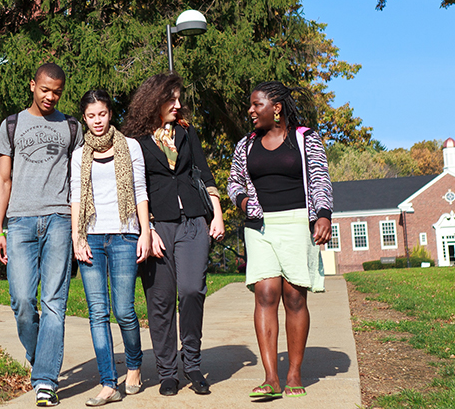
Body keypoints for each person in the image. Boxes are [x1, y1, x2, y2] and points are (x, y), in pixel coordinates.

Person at [121, 73, 225, 397]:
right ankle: (167, 371)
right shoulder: (134, 140)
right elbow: (132, 188)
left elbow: (204, 171)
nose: (178, 105)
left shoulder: (186, 131)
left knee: (193, 290)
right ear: (154, 100)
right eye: (172, 99)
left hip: (194, 220)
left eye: (179, 98)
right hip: (156, 227)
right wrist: (146, 229)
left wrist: (217, 213)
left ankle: (192, 363)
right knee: (160, 301)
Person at [227, 81, 333, 398]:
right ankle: (271, 377)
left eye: (256, 105)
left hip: (298, 222)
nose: (250, 111)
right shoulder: (246, 145)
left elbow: (319, 178)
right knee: (266, 292)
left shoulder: (305, 139)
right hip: (260, 227)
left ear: (276, 107)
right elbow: (234, 183)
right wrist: (244, 202)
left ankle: (295, 372)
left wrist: (323, 215)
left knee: (295, 297)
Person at [0, 62, 83, 407]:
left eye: (57, 92)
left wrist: (79, 228)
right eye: (45, 89)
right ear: (32, 85)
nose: (50, 96)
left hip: (60, 218)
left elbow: (78, 182)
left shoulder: (71, 127)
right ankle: (38, 354)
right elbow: (3, 179)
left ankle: (45, 380)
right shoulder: (12, 125)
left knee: (54, 303)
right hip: (19, 222)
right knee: (22, 301)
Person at [69, 89, 151, 406]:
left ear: (109, 114)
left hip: (124, 234)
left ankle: (134, 364)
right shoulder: (79, 155)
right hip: (91, 236)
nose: (97, 121)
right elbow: (76, 197)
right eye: (91, 116)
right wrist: (78, 237)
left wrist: (145, 231)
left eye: (101, 114)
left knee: (124, 311)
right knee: (97, 313)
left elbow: (140, 191)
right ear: (85, 118)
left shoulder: (129, 147)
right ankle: (107, 383)